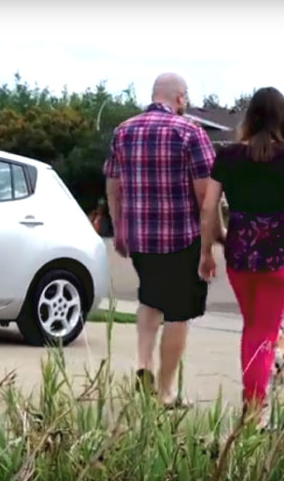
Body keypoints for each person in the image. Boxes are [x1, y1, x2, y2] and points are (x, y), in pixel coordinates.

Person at [104, 73, 222, 406]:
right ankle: (166, 391)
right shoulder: (190, 132)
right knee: (178, 311)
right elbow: (207, 197)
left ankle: (143, 364)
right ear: (180, 98)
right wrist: (209, 247)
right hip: (180, 239)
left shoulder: (124, 131)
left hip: (140, 238)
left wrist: (120, 228)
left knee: (151, 297)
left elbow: (113, 186)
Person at [198, 87, 284, 419]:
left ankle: (254, 400)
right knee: (263, 331)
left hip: (240, 255)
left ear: (250, 117)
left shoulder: (229, 156)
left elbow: (209, 207)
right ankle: (253, 407)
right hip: (279, 257)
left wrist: (210, 247)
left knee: (254, 328)